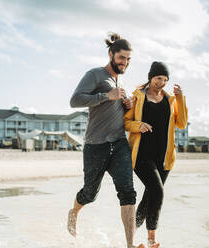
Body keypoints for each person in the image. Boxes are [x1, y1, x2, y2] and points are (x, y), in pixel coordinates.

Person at [67, 32, 150, 248]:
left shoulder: (120, 80)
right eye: (122, 58)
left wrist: (125, 105)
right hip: (96, 145)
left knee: (128, 191)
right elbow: (75, 100)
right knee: (89, 194)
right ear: (111, 54)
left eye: (129, 59)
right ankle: (74, 211)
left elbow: (115, 109)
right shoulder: (95, 74)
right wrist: (107, 96)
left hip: (119, 143)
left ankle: (130, 245)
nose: (126, 63)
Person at [124, 61, 188, 247]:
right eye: (159, 78)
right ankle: (152, 239)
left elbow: (182, 123)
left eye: (165, 79)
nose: (162, 82)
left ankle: (132, 237)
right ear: (151, 77)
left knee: (149, 196)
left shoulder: (170, 100)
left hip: (164, 158)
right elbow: (125, 122)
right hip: (141, 155)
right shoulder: (138, 97)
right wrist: (139, 125)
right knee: (158, 192)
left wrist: (180, 97)